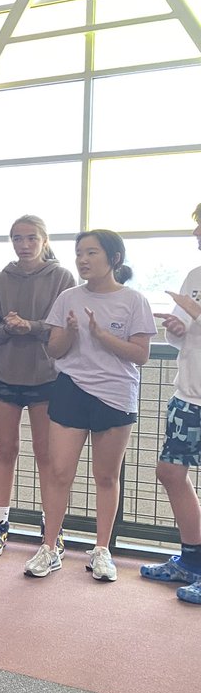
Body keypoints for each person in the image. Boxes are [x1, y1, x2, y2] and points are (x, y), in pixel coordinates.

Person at [25, 230, 155, 581]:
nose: (83, 259)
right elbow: (54, 350)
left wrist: (102, 336)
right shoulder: (68, 297)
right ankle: (49, 548)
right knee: (58, 472)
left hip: (116, 394)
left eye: (92, 253)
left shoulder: (134, 301)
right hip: (71, 388)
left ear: (114, 259)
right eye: (79, 253)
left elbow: (141, 355)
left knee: (106, 476)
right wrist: (68, 332)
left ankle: (102, 551)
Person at [0, 216, 75, 557]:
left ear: (44, 240)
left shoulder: (63, 278)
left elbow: (63, 329)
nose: (24, 244)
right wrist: (8, 329)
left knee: (46, 455)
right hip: (3, 376)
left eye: (31, 237)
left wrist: (29, 326)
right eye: (17, 238)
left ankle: (52, 529)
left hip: (47, 378)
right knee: (5, 450)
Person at [144, 204, 201, 604]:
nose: (197, 235)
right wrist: (179, 328)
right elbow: (181, 336)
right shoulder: (195, 277)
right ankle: (191, 560)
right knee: (170, 471)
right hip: (188, 394)